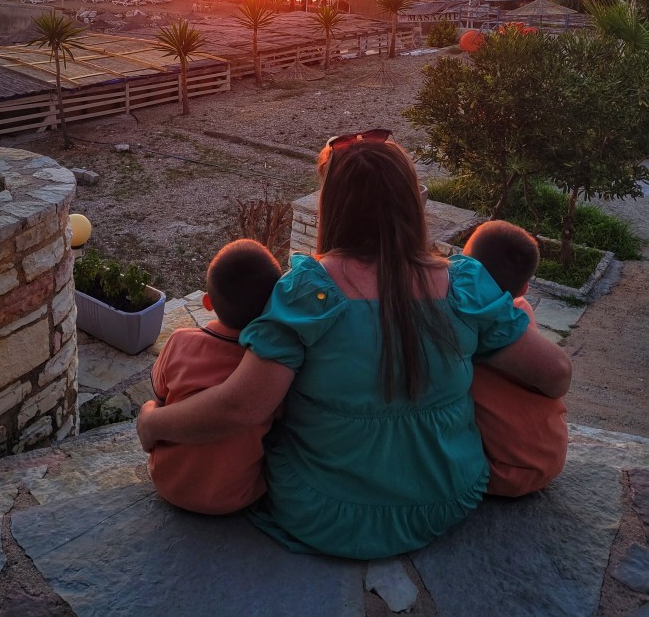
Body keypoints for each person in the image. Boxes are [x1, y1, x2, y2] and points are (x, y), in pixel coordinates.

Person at [138, 134, 571, 559]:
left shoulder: (307, 292)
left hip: (323, 509)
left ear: (334, 206)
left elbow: (242, 408)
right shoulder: (465, 285)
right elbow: (555, 375)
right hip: (446, 497)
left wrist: (153, 425)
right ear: (411, 204)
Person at [148, 239, 282, 515]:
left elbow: (160, 399)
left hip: (167, 483)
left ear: (207, 302)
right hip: (239, 496)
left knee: (149, 408)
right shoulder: (267, 367)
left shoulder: (179, 341)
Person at [462, 220, 568, 497]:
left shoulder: (463, 322)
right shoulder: (523, 312)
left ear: (463, 264)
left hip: (499, 470)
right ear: (523, 289)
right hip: (551, 455)